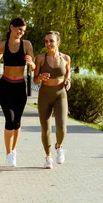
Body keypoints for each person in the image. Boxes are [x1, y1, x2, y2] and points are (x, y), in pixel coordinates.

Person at [0, 18, 35, 167]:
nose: (21, 32)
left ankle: (14, 150)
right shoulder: (3, 44)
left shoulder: (26, 45)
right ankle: (8, 153)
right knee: (9, 119)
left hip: (20, 87)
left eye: (23, 31)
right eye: (19, 29)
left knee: (17, 122)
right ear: (11, 27)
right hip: (5, 86)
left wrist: (31, 63)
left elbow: (33, 68)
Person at [33, 31, 71, 169]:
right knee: (46, 129)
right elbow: (35, 80)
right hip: (44, 95)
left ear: (58, 42)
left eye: (51, 41)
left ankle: (59, 146)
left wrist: (68, 80)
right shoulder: (40, 58)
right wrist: (41, 77)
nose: (48, 44)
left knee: (61, 127)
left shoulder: (66, 58)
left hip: (60, 94)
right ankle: (48, 157)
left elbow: (67, 71)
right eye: (46, 41)